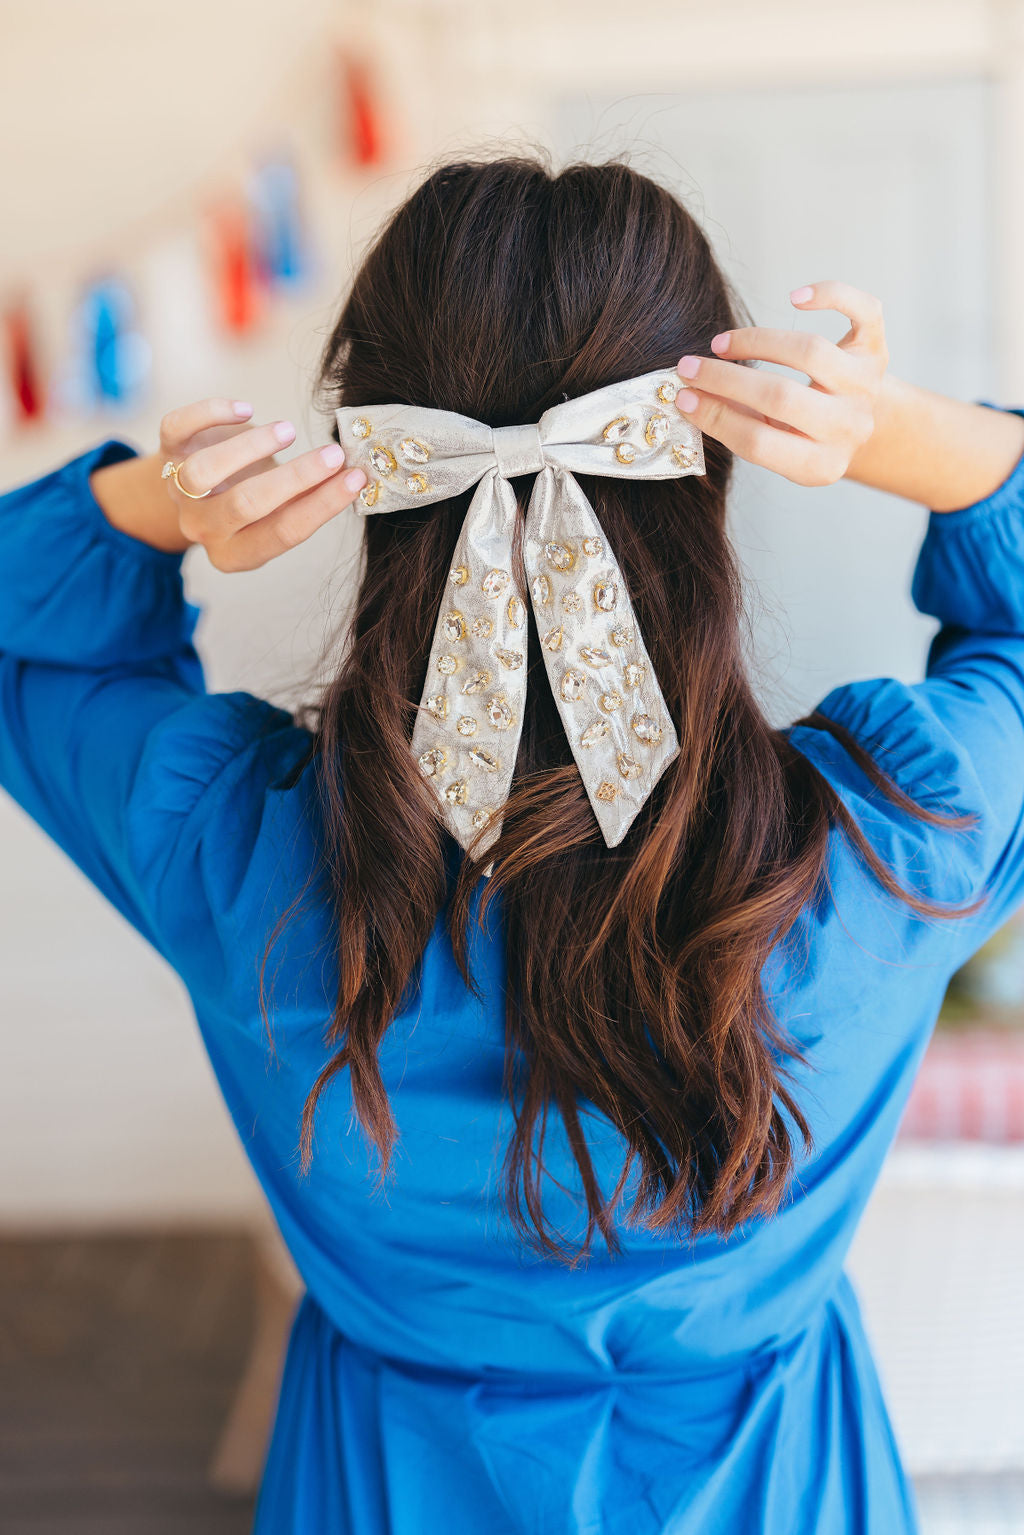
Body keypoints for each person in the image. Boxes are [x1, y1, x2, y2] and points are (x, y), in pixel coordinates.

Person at [2, 155, 1023, 1535]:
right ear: (714, 451)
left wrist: (149, 511)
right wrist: (913, 438)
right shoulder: (895, 841)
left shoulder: (232, 848)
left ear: (366, 455)